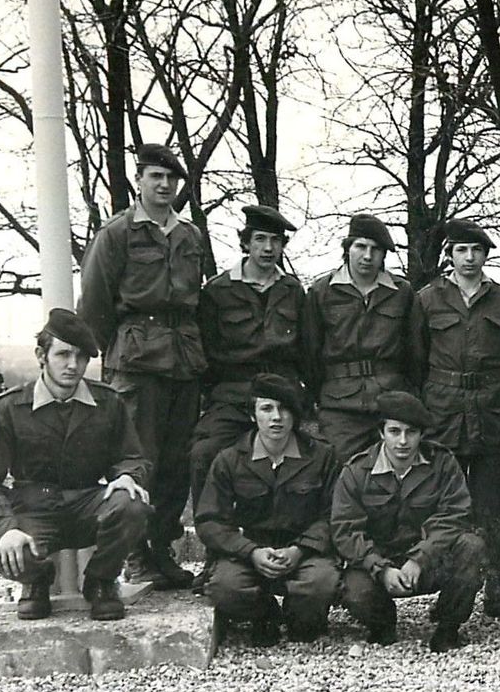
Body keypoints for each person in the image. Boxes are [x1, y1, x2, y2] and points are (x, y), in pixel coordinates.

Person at [0, 310, 152, 621]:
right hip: (33, 508)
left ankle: (102, 582)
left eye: (81, 357)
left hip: (87, 503)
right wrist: (4, 528)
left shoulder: (107, 403)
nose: (73, 365)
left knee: (131, 504)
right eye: (63, 354)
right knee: (12, 545)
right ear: (42, 355)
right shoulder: (9, 408)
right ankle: (36, 582)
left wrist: (125, 477)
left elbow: (132, 457)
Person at [76, 142, 205, 590]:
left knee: (176, 462)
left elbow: (196, 300)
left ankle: (162, 547)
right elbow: (94, 304)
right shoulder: (117, 234)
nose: (165, 185)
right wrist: (104, 365)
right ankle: (135, 554)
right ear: (140, 181)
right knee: (138, 458)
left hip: (184, 360)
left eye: (171, 178)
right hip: (135, 358)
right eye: (156, 176)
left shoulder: (189, 237)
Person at [415, 218, 500, 619]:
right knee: (444, 500)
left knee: (492, 501)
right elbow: (415, 357)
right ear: (449, 254)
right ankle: (451, 585)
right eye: (461, 250)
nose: (469, 258)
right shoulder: (427, 299)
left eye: (476, 250)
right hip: (442, 411)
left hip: (492, 410)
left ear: (485, 256)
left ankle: (496, 584)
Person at [330, 392, 485, 651]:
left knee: (472, 546)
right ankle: (382, 624)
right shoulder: (356, 472)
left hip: (430, 561)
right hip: (379, 563)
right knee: (354, 589)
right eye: (394, 431)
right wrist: (380, 568)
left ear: (421, 434)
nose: (402, 441)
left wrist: (419, 559)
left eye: (411, 432)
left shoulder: (443, 464)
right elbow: (346, 530)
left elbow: (455, 514)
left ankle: (448, 627)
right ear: (381, 433)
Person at [195, 374, 341, 646]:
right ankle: (265, 614)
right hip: (251, 550)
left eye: (285, 408)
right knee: (224, 587)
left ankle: (300, 617)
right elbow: (210, 520)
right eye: (267, 408)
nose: (277, 417)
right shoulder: (230, 459)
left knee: (322, 582)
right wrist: (250, 551)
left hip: (304, 550)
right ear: (253, 415)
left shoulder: (322, 456)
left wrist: (300, 550)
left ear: (296, 415)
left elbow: (334, 514)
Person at [190, 204, 306, 512]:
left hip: (283, 393)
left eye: (275, 241)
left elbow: (306, 350)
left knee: (311, 456)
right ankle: (215, 538)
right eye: (260, 239)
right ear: (246, 243)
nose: (268, 248)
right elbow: (206, 352)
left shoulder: (293, 291)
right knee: (204, 454)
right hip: (234, 395)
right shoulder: (218, 290)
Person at [301, 213, 421, 461]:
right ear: (347, 249)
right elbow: (309, 351)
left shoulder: (402, 293)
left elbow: (416, 350)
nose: (367, 256)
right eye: (360, 247)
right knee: (340, 471)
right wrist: (321, 396)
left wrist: (407, 394)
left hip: (391, 400)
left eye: (375, 249)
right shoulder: (322, 292)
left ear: (383, 255)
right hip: (340, 405)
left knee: (393, 472)